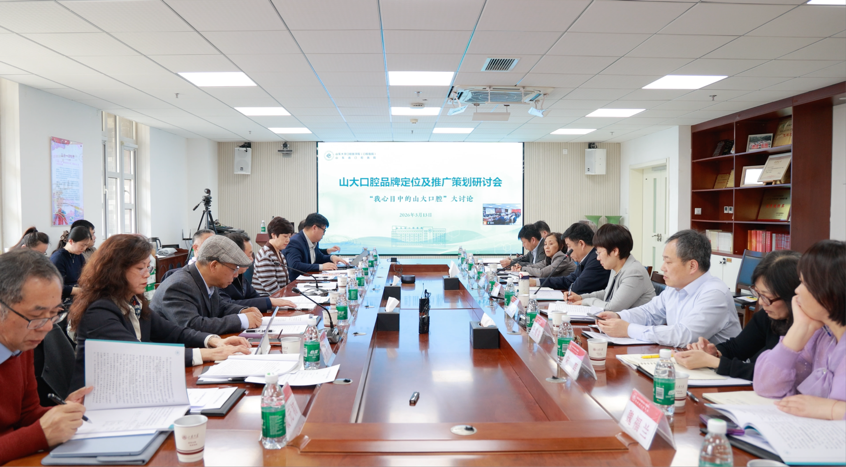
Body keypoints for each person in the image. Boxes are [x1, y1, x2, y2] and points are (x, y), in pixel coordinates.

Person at [67, 235, 250, 392]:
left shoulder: (133, 302)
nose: (147, 274)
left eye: (149, 267)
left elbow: (174, 332)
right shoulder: (99, 311)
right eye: (141, 268)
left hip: (131, 387)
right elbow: (140, 355)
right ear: (116, 271)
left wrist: (213, 341)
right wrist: (208, 354)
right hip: (100, 400)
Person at [0, 249, 93, 464]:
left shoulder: (21, 345)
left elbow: (26, 414)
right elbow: (32, 432)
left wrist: (62, 413)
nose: (48, 327)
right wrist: (39, 434)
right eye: (36, 316)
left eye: (54, 313)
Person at [595, 230, 741, 347]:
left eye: (668, 262)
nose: (662, 267)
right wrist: (619, 317)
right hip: (684, 360)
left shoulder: (715, 294)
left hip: (717, 370)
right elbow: (649, 313)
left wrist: (628, 329)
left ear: (692, 266)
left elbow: (684, 335)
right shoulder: (675, 287)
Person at [754, 240, 846, 420]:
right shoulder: (823, 335)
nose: (797, 290)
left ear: (830, 291)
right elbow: (766, 387)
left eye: (804, 283)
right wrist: (800, 327)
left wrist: (833, 409)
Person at [676, 250, 800, 380]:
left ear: (791, 295)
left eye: (766, 296)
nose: (761, 302)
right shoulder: (767, 316)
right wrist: (715, 353)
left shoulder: (806, 330)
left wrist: (716, 362)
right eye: (758, 293)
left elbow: (774, 374)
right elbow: (737, 347)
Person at [151, 235, 262, 335]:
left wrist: (242, 311)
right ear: (214, 266)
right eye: (234, 269)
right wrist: (241, 320)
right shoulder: (179, 286)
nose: (236, 275)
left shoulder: (206, 279)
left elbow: (220, 306)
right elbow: (193, 325)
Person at [568, 224, 655, 312]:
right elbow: (607, 293)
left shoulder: (634, 272)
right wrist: (581, 297)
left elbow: (612, 308)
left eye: (599, 253)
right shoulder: (616, 268)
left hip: (635, 321)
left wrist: (585, 301)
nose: (598, 258)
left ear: (615, 251)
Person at [219, 231, 296, 311]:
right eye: (249, 255)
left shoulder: (240, 275)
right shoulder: (220, 278)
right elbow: (227, 305)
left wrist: (270, 302)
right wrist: (269, 302)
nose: (252, 260)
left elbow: (254, 297)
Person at [534, 222, 611, 294]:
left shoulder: (596, 260)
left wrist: (571, 286)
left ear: (581, 244)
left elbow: (576, 289)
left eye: (569, 246)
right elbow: (569, 280)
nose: (568, 251)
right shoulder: (587, 258)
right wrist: (537, 282)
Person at [284, 213, 347, 281]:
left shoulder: (312, 241)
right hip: (296, 284)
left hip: (308, 281)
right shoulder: (295, 242)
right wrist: (321, 267)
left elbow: (319, 257)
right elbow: (294, 265)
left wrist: (332, 258)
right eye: (323, 230)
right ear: (314, 228)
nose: (324, 234)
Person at [253, 217, 295, 296]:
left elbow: (286, 284)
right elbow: (273, 291)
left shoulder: (280, 254)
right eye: (285, 236)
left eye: (289, 237)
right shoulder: (265, 256)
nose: (288, 240)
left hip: (279, 298)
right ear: (273, 235)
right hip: (267, 300)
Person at [50, 226, 92, 301]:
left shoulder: (79, 256)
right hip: (63, 299)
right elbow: (57, 286)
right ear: (71, 241)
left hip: (78, 296)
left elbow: (84, 277)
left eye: (86, 245)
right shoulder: (58, 258)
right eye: (82, 245)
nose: (84, 248)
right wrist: (82, 291)